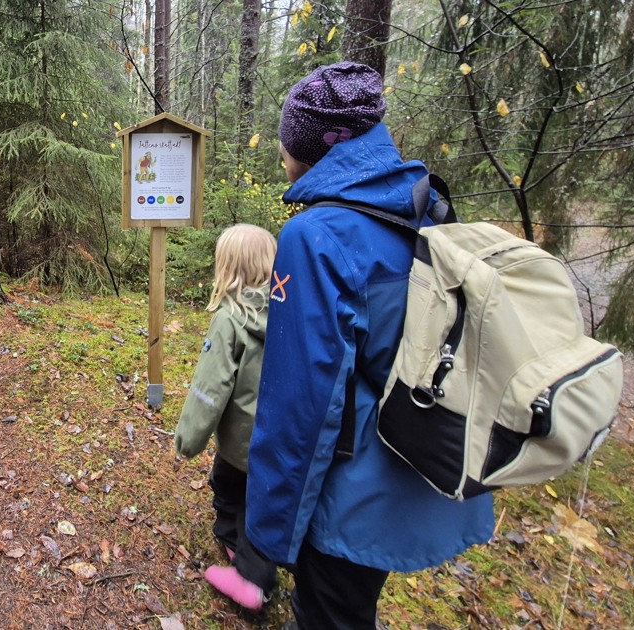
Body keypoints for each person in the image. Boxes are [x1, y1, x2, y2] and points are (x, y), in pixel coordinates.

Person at [244, 62, 495, 628]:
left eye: (287, 139)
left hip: (351, 496)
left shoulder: (315, 235)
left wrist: (264, 534)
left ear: (313, 145)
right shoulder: (422, 202)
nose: (281, 151)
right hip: (426, 463)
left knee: (329, 614)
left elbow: (300, 402)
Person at [172, 224, 277, 609]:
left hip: (242, 439)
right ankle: (233, 542)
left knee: (244, 497)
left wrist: (189, 438)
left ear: (227, 267)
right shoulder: (289, 312)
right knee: (241, 488)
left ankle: (253, 581)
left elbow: (209, 388)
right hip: (279, 433)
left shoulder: (231, 319)